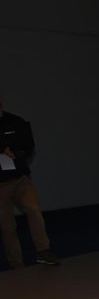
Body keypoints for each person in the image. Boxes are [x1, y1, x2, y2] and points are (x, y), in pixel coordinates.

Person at [0, 94, 57, 267]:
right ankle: (16, 264)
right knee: (7, 226)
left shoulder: (14, 120)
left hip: (20, 178)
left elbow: (28, 147)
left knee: (33, 209)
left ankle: (43, 251)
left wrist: (19, 151)